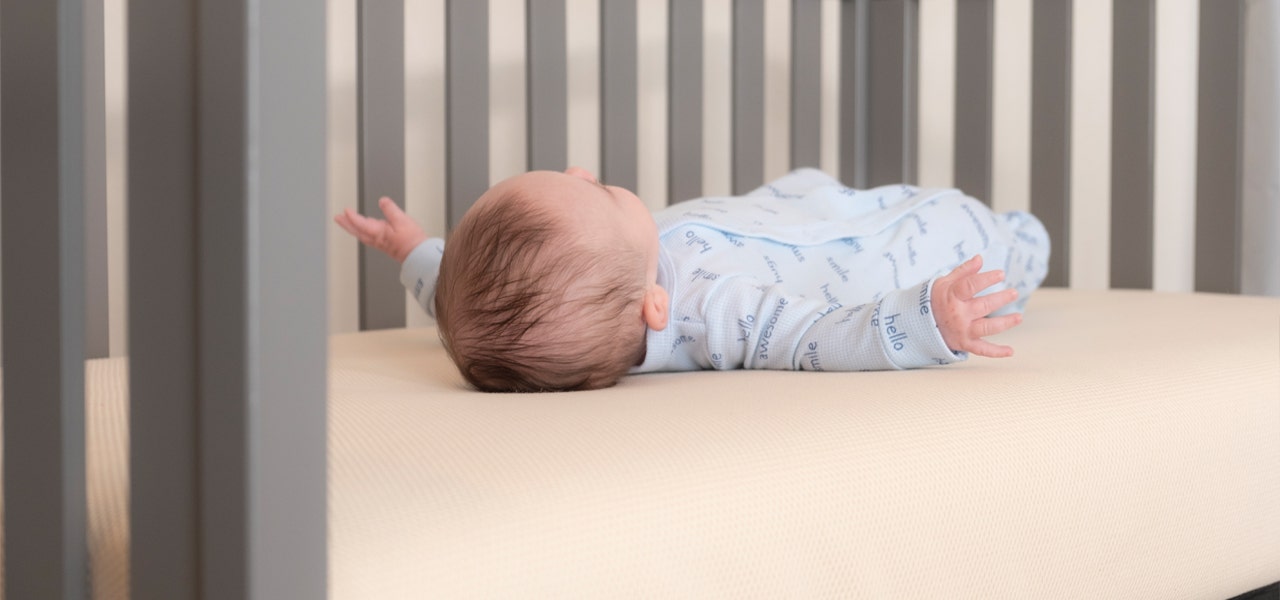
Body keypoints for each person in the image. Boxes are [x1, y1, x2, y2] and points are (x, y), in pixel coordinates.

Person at [335, 167, 1050, 392]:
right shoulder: (711, 312)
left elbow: (466, 307)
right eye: (605, 191)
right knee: (996, 250)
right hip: (900, 260)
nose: (588, 173)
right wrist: (923, 321)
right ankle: (1023, 252)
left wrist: (416, 252)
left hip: (822, 214)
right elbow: (813, 335)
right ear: (655, 306)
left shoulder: (503, 317)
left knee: (873, 203)